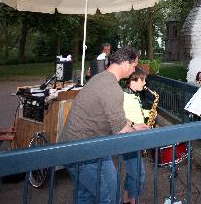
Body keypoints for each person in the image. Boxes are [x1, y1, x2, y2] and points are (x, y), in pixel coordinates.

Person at [60, 46, 149, 204]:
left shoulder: (101, 77)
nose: (134, 69)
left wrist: (134, 124)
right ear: (126, 64)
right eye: (134, 65)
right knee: (109, 196)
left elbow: (113, 117)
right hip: (87, 152)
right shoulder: (112, 88)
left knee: (86, 196)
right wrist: (141, 135)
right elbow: (121, 131)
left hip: (71, 148)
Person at [122, 68, 150, 204]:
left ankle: (127, 199)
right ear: (134, 80)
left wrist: (148, 113)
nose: (145, 83)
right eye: (143, 80)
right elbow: (121, 118)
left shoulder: (133, 94)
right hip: (129, 138)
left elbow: (136, 111)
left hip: (134, 137)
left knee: (132, 172)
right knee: (138, 174)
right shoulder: (124, 96)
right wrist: (133, 124)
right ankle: (132, 201)